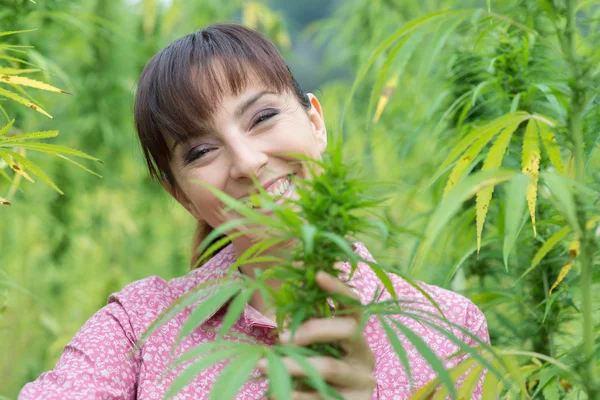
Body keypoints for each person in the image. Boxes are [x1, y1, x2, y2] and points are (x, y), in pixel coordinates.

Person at [19, 24, 490, 400]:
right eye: (201, 151)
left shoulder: (446, 328)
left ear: (315, 121)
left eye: (263, 117)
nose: (247, 162)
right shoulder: (139, 327)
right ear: (180, 194)